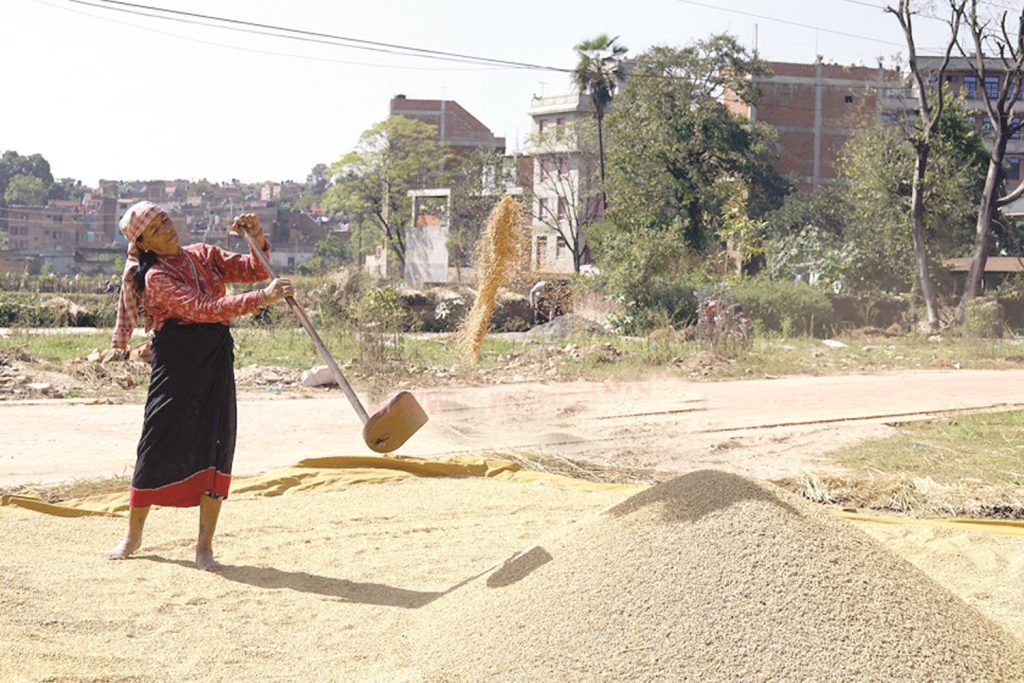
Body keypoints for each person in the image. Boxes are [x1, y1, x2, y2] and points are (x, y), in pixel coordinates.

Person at [105, 200, 294, 570]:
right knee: (155, 444)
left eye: (165, 220)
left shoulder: (204, 255)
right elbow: (205, 307)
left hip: (214, 357)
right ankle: (133, 536)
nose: (166, 230)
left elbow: (254, 268)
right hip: (176, 364)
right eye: (155, 230)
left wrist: (255, 236)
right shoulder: (155, 277)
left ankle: (204, 547)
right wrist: (263, 297)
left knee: (216, 444)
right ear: (143, 244)